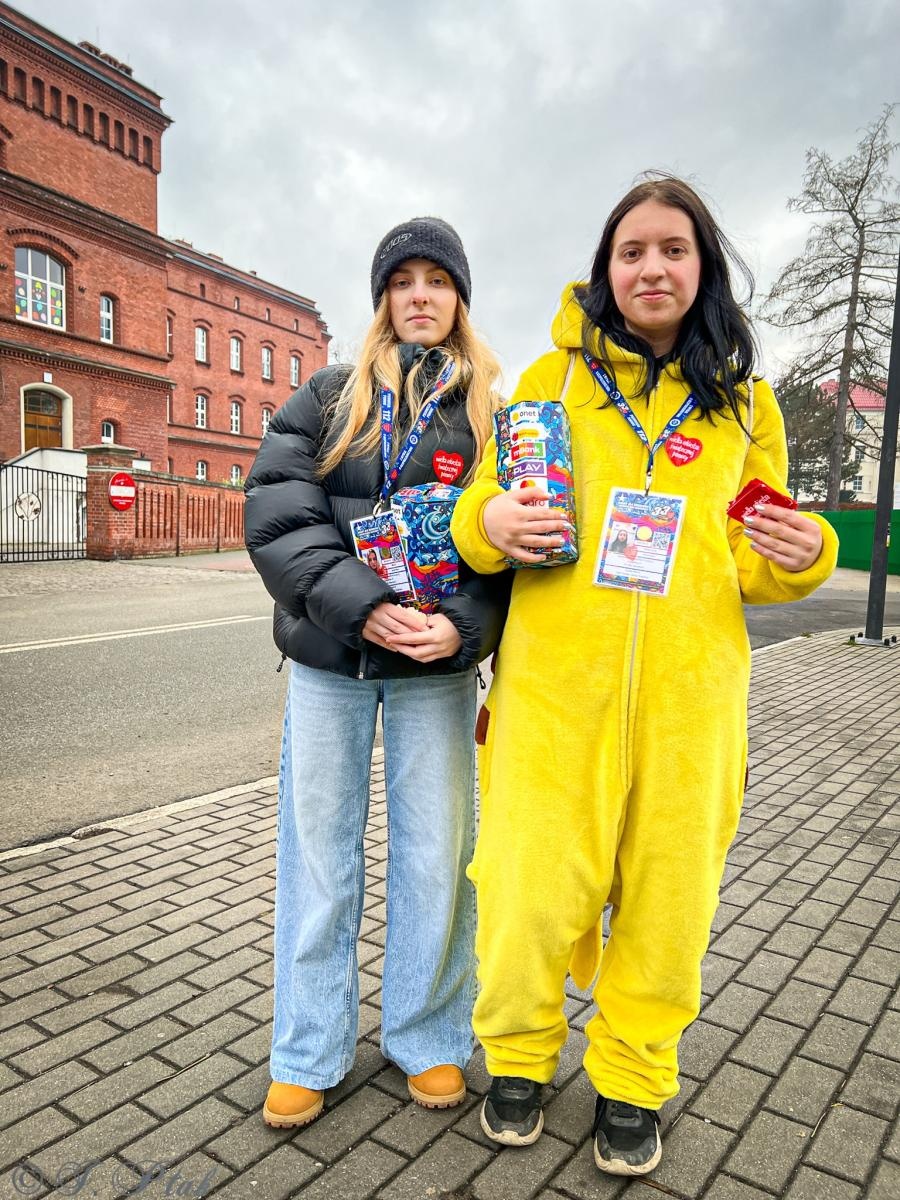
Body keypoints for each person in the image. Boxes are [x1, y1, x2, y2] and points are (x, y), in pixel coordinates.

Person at [450, 176, 838, 1177]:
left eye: (674, 249)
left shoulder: (745, 405)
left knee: (670, 904)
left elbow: (758, 555)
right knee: (527, 891)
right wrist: (490, 521)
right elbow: (480, 515)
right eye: (633, 251)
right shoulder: (549, 382)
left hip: (689, 707)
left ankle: (633, 1077)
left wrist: (807, 552)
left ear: (703, 267)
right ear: (606, 269)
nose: (652, 268)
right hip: (552, 699)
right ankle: (519, 1059)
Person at [245, 217, 508, 1128]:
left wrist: (463, 628)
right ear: (383, 297)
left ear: (459, 297)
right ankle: (308, 1050)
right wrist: (360, 606)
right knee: (319, 856)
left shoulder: (491, 415)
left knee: (438, 855)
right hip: (331, 660)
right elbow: (279, 514)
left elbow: (506, 552)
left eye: (438, 280)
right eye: (403, 281)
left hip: (435, 669)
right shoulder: (328, 395)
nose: (420, 295)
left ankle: (428, 1038)